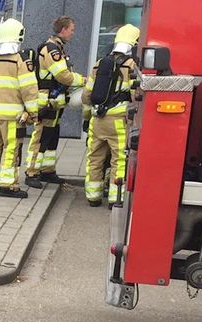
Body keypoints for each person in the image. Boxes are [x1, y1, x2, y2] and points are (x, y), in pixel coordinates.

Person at [0, 19, 38, 198]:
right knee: (11, 149)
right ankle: (8, 185)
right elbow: (30, 90)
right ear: (19, 36)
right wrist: (33, 114)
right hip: (13, 118)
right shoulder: (20, 61)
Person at [83, 24, 141, 208]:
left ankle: (93, 197)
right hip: (118, 121)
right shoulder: (131, 65)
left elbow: (87, 95)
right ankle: (116, 199)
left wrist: (88, 116)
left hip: (97, 120)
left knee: (94, 158)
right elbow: (135, 95)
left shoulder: (99, 63)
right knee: (119, 160)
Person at [25, 16, 85, 188]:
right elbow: (63, 76)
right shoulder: (52, 50)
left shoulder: (57, 48)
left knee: (52, 137)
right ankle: (31, 172)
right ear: (63, 29)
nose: (72, 33)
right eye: (71, 30)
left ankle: (47, 171)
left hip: (55, 102)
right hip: (47, 101)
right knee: (41, 136)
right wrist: (83, 80)